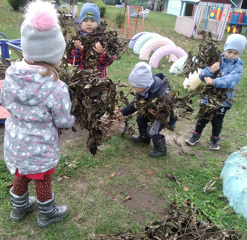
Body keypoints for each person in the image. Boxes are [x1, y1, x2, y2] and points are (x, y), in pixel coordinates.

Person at [0, 0, 75, 227]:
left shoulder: (12, 74)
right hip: (40, 147)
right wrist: (73, 119)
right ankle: (47, 213)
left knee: (21, 174)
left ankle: (18, 209)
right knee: (42, 179)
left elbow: (5, 102)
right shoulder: (56, 86)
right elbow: (62, 120)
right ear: (55, 52)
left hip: (16, 143)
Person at [185, 33, 247, 150]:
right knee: (202, 117)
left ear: (239, 54)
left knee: (217, 121)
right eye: (229, 51)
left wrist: (214, 82)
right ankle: (195, 135)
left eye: (235, 53)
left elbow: (231, 80)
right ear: (225, 49)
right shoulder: (216, 59)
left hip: (224, 99)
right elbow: (202, 75)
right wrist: (211, 70)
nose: (231, 55)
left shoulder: (238, 67)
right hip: (209, 97)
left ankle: (214, 139)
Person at [119, 62, 177, 158]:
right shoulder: (143, 90)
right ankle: (144, 138)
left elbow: (171, 110)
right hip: (150, 111)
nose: (132, 88)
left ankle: (161, 148)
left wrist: (157, 114)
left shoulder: (164, 94)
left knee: (152, 130)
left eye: (134, 86)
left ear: (144, 85)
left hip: (163, 116)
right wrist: (122, 112)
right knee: (140, 118)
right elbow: (135, 104)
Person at [67, 3, 115, 78]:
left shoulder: (103, 40)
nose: (89, 24)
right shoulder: (77, 40)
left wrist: (101, 52)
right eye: (85, 20)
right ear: (81, 23)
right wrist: (78, 50)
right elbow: (72, 61)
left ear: (98, 23)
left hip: (99, 80)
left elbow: (109, 61)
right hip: (81, 80)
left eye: (92, 21)